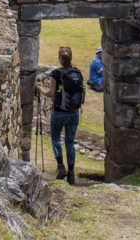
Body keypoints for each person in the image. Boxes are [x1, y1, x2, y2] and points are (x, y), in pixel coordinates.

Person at [37, 46, 85, 185]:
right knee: (70, 142)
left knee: (56, 139)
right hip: (74, 113)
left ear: (60, 58)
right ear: (71, 57)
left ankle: (60, 167)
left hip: (59, 111)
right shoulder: (78, 73)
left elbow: (51, 93)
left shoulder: (56, 73)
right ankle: (71, 173)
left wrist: (40, 89)